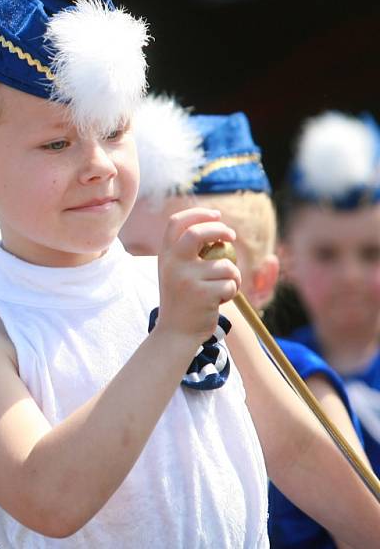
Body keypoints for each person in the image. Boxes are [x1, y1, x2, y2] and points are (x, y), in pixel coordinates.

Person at [0, 0, 380, 546]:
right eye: (57, 144)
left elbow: (298, 450)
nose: (97, 166)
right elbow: (50, 497)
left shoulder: (185, 283)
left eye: (113, 133)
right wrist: (175, 338)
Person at [118, 95, 370, 548]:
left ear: (262, 279)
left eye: (206, 256)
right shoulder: (112, 380)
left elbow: (366, 525)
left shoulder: (299, 377)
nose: (171, 281)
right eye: (139, 258)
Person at [277, 111, 380, 478]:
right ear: (284, 259)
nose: (350, 276)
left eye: (372, 253)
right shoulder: (275, 375)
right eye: (326, 254)